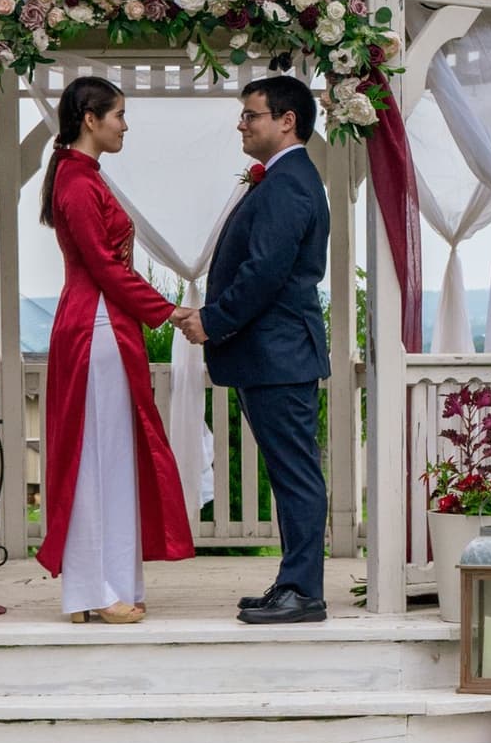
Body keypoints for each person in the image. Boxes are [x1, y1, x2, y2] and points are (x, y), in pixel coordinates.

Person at [173, 74, 330, 625]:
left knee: (296, 474)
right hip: (273, 353)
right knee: (290, 473)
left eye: (251, 114)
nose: (241, 123)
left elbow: (265, 272)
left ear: (286, 120)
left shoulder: (288, 184)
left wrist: (212, 322)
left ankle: (304, 593)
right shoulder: (282, 180)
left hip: (281, 352)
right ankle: (292, 580)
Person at [37, 76, 193, 623]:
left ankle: (106, 585)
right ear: (90, 117)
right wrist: (168, 311)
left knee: (110, 458)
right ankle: (92, 591)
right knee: (96, 460)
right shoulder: (77, 184)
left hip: (105, 326)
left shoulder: (83, 178)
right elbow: (104, 268)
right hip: (94, 328)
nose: (125, 125)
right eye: (119, 115)